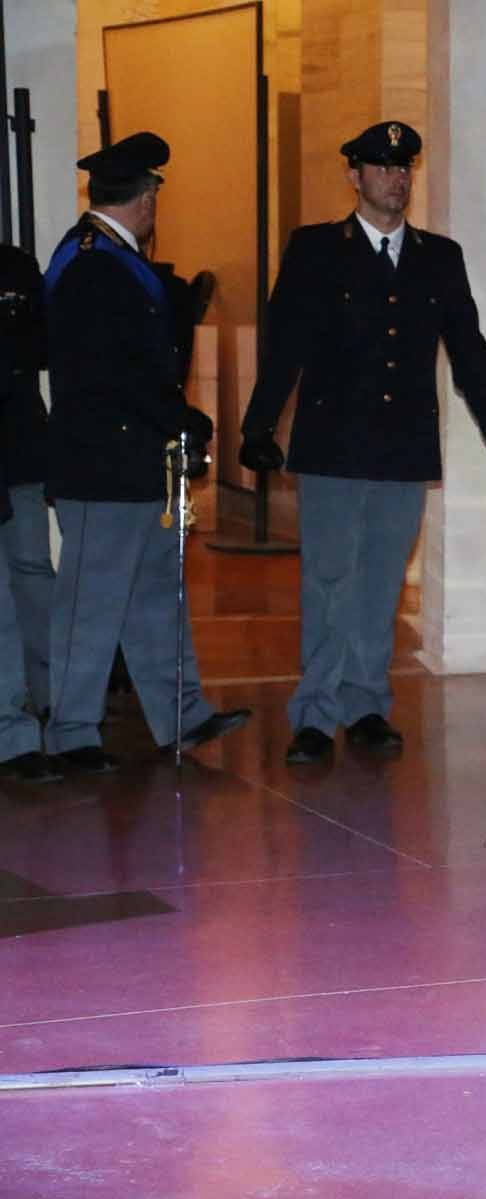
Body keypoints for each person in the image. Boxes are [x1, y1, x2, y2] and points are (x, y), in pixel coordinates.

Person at [239, 121, 486, 766]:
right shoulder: (316, 249)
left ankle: (365, 704)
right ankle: (314, 712)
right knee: (329, 579)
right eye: (384, 167)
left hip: (401, 446)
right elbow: (286, 345)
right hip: (333, 445)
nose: (397, 179)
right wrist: (258, 426)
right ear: (355, 176)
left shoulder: (438, 257)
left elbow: (469, 351)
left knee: (381, 581)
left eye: (405, 168)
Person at [41, 132, 250, 772]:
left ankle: (181, 716)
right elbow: (112, 374)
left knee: (156, 595)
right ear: (147, 195)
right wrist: (179, 416)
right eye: (156, 188)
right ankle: (73, 732)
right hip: (102, 463)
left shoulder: (109, 256)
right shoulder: (91, 261)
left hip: (137, 462)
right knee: (90, 604)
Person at [0, 244, 53, 718]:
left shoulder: (14, 265)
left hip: (19, 448)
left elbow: (42, 347)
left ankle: (51, 698)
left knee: (34, 571)